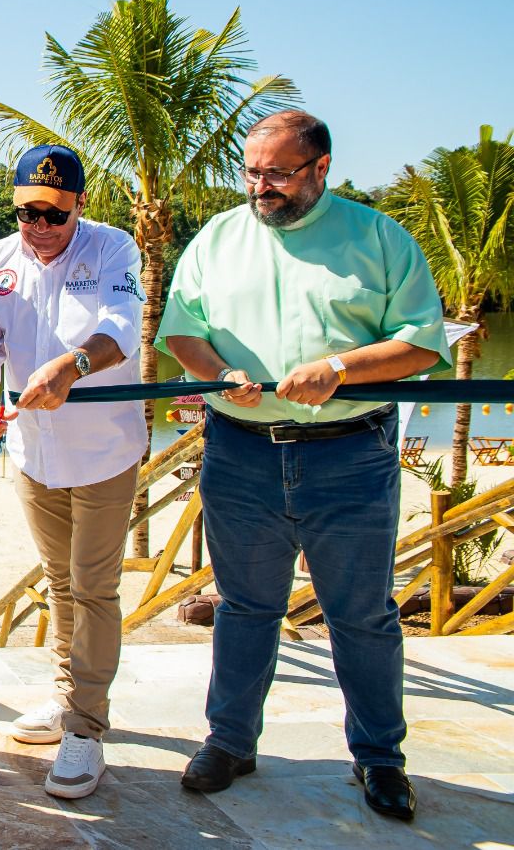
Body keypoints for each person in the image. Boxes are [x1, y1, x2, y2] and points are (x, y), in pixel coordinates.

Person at [157, 110, 449, 823]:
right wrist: (220, 370)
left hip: (349, 454)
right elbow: (182, 332)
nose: (262, 186)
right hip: (241, 453)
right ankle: (230, 741)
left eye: (279, 173)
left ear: (321, 168)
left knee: (362, 615)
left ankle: (380, 757)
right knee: (245, 606)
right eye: (253, 171)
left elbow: (420, 343)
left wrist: (342, 368)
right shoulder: (218, 238)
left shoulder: (380, 238)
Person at [0, 144, 148, 799]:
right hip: (33, 452)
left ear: (79, 206)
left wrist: (73, 364)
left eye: (54, 213)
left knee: (94, 586)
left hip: (104, 450)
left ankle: (86, 727)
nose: (39, 226)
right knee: (59, 581)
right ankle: (68, 694)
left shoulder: (112, 250)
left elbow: (121, 326)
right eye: (27, 211)